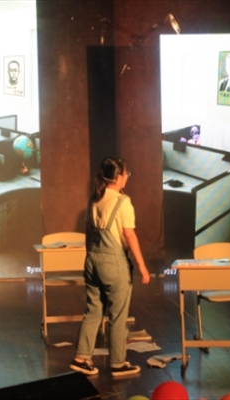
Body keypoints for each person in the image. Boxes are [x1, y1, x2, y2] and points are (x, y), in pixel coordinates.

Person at [70, 156, 150, 377]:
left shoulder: (94, 199)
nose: (127, 178)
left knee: (93, 311)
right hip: (114, 263)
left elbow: (88, 233)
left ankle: (81, 358)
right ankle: (118, 363)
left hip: (92, 260)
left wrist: (91, 257)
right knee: (118, 315)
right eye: (126, 174)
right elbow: (129, 235)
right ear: (117, 177)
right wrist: (142, 266)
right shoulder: (123, 202)